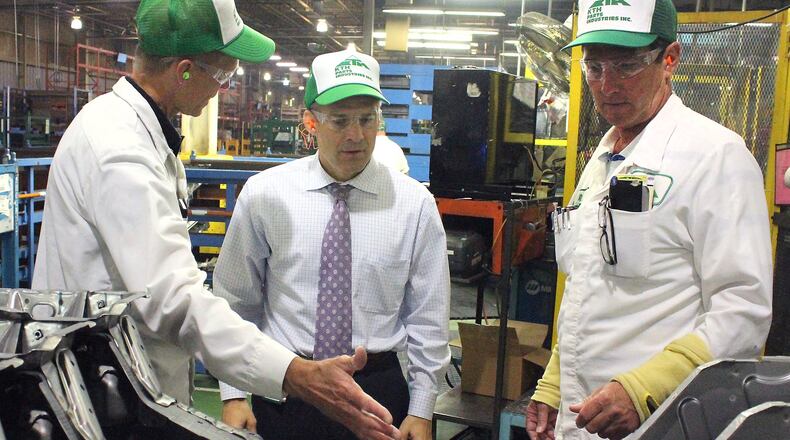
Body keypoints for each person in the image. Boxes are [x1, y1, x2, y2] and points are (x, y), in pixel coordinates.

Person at [31, 1, 399, 439]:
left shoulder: (139, 133)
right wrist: (294, 372)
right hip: (98, 401)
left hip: (119, 385)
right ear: (185, 70)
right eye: (223, 75)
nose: (223, 89)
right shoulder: (119, 152)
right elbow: (172, 299)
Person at [526, 0, 773, 439]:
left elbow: (743, 309)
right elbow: (588, 284)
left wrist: (645, 388)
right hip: (579, 418)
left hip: (662, 419)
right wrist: (555, 380)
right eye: (595, 67)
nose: (607, 85)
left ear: (670, 59)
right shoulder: (603, 157)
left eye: (626, 65)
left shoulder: (715, 157)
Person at [213, 48, 450, 440]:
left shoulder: (414, 205)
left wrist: (422, 408)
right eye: (340, 121)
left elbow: (429, 315)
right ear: (311, 123)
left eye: (366, 119)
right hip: (288, 386)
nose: (355, 135)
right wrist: (234, 393)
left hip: (379, 392)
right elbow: (236, 300)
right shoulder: (266, 195)